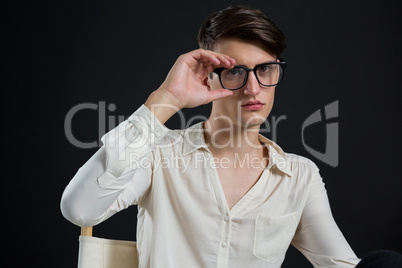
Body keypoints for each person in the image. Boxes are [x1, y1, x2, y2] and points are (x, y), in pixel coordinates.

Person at [61, 5, 372, 267]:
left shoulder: (299, 177)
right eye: (235, 71)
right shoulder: (159, 154)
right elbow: (79, 209)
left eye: (265, 70)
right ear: (207, 77)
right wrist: (166, 98)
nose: (253, 88)